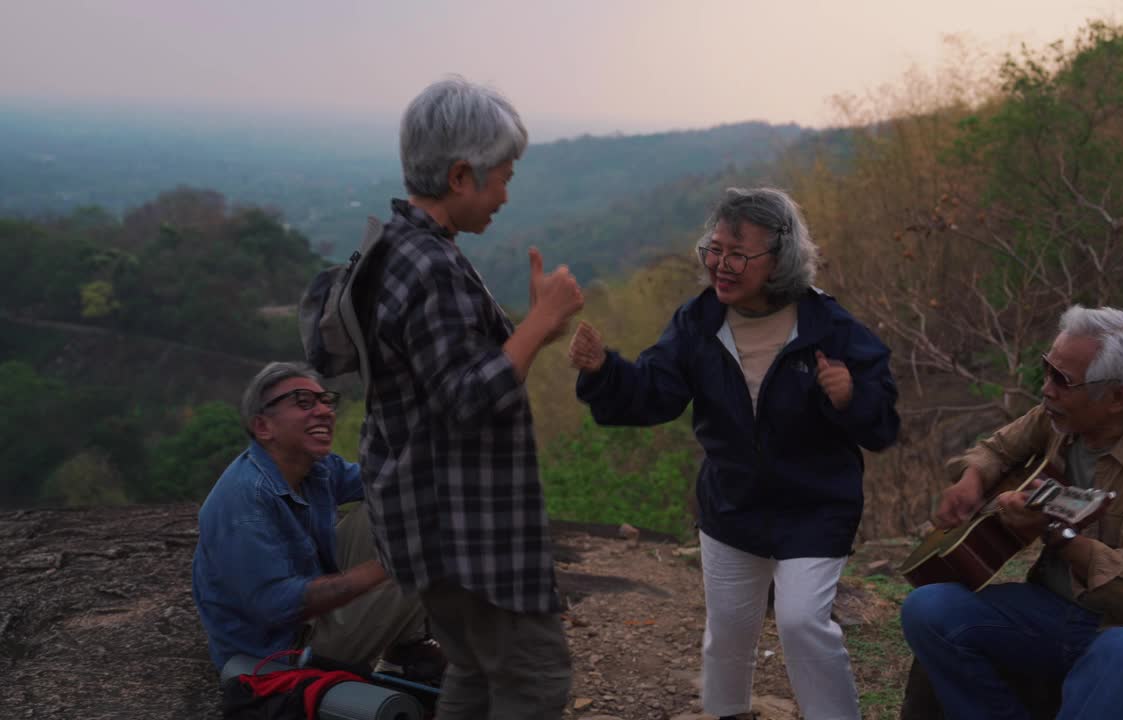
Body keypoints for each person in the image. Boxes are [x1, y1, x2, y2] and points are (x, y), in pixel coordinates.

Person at [568, 187, 900, 720]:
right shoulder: (699, 323)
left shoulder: (827, 328)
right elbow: (655, 392)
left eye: (738, 254)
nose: (721, 265)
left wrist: (850, 397)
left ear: (781, 259)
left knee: (801, 623)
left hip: (815, 507)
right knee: (727, 634)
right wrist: (603, 371)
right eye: (714, 249)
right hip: (731, 507)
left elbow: (883, 423)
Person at [359, 77, 584, 720]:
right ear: (462, 175)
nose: (507, 195)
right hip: (466, 528)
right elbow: (465, 398)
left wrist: (536, 330)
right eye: (503, 177)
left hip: (424, 519)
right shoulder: (431, 268)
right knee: (532, 679)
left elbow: (445, 368)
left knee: (475, 671)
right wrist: (540, 324)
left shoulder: (394, 249)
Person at [899, 306, 1123, 720]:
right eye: (1047, 369)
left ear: (1118, 397)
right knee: (927, 609)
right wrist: (973, 478)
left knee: (1117, 654)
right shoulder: (1061, 417)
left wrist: (1057, 534)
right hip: (1052, 611)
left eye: (1062, 380)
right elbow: (998, 448)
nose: (1046, 389)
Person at [192, 361, 437, 679]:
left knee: (402, 507)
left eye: (325, 401)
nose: (323, 411)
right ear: (264, 427)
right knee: (422, 562)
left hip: (308, 617)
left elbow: (387, 482)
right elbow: (277, 605)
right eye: (304, 403)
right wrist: (384, 567)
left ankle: (405, 653)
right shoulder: (244, 501)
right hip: (278, 653)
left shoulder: (316, 467)